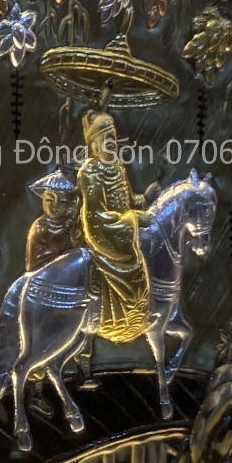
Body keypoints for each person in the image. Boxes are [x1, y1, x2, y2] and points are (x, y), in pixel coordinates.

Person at [76, 112, 149, 344]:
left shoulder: (117, 166)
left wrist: (144, 199)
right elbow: (95, 216)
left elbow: (127, 200)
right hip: (104, 233)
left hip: (122, 229)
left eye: (113, 139)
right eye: (106, 141)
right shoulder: (90, 173)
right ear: (95, 146)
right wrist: (132, 219)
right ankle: (121, 319)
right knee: (132, 263)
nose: (112, 145)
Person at [23, 170, 81, 273]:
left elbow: (78, 249)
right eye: (50, 200)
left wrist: (73, 235)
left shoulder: (69, 222)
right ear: (43, 200)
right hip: (45, 273)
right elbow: (32, 263)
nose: (55, 206)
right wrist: (58, 253)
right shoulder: (40, 227)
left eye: (62, 201)